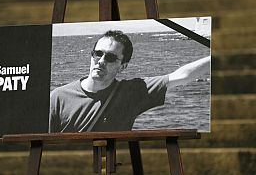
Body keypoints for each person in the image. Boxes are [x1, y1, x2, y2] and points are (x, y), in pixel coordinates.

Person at [49, 30, 210, 133]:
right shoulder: (58, 97)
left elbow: (182, 76)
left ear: (123, 66)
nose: (101, 61)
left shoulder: (131, 93)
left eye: (110, 57)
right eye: (98, 54)